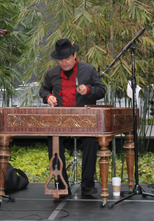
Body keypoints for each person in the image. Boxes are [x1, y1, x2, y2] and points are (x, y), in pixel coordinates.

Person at [39, 39, 106, 197]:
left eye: (67, 58)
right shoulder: (51, 73)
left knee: (91, 140)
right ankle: (61, 184)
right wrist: (48, 96)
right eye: (61, 60)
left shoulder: (89, 70)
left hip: (85, 121)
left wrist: (88, 90)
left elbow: (102, 90)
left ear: (75, 55)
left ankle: (87, 184)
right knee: (53, 140)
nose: (64, 62)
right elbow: (43, 90)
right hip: (61, 122)